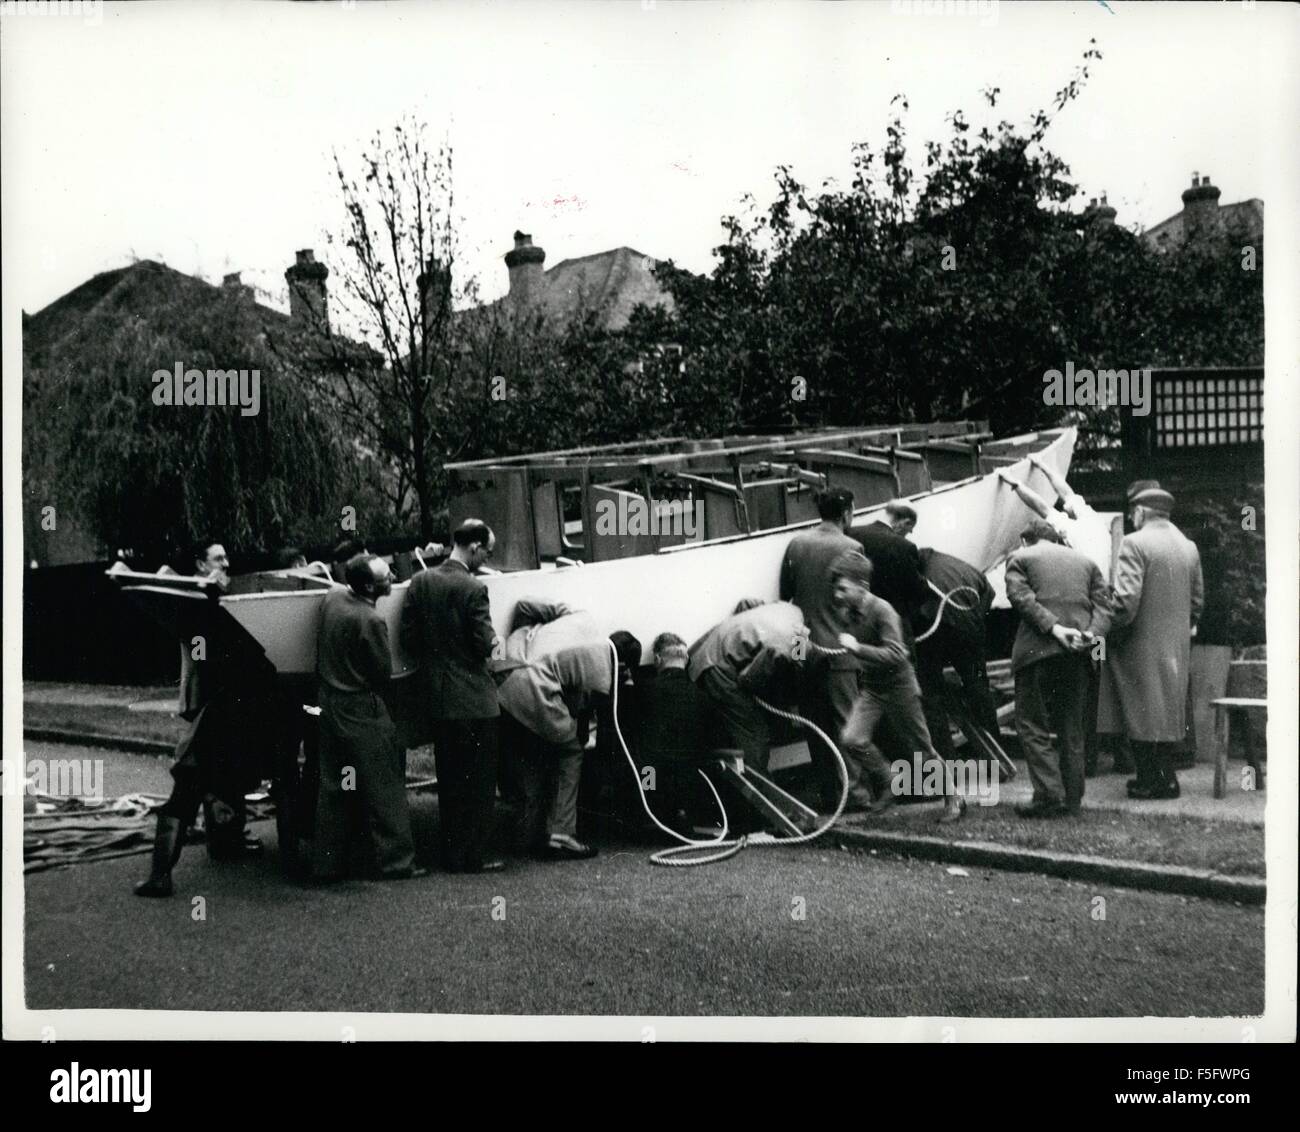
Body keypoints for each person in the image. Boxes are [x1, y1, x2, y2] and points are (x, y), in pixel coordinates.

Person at [135, 539, 268, 897]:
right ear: (199, 564)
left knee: (210, 783)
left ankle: (215, 848)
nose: (226, 564)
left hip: (227, 710)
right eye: (218, 559)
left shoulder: (216, 604)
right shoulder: (201, 608)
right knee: (191, 786)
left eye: (226, 558)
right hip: (218, 709)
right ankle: (161, 875)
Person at [495, 600, 638, 860]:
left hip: (502, 668)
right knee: (571, 753)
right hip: (533, 684)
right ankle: (560, 833)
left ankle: (526, 832)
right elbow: (589, 708)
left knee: (531, 754)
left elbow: (523, 606)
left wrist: (528, 645)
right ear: (623, 665)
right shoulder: (604, 665)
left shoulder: (579, 617)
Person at [401, 519, 505, 873]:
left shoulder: (420, 581)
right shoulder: (474, 589)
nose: (487, 558)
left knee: (450, 779)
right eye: (487, 551)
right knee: (479, 782)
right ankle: (475, 854)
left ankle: (451, 852)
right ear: (474, 547)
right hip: (475, 699)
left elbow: (408, 640)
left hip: (440, 697)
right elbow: (484, 643)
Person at [829, 551, 964, 822]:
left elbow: (897, 653)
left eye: (843, 589)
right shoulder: (848, 612)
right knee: (852, 739)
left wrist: (858, 648)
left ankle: (953, 797)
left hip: (900, 685)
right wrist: (804, 646)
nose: (837, 595)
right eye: (836, 589)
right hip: (874, 687)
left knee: (921, 749)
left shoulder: (882, 610)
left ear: (862, 587)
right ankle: (891, 780)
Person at [312, 554, 423, 881]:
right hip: (360, 708)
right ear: (373, 587)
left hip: (328, 704)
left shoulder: (333, 599)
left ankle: (326, 866)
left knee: (332, 786)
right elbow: (381, 673)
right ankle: (396, 862)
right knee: (384, 786)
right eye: (387, 576)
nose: (392, 577)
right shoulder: (371, 620)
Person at [1004, 520, 1111, 818]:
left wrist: (1053, 628)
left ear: (1027, 540)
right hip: (1079, 652)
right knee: (1071, 726)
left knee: (1031, 723)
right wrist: (1091, 635)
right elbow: (1105, 607)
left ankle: (1049, 796)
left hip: (1036, 652)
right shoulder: (1086, 561)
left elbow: (1021, 598)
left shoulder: (1021, 558)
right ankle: (1073, 799)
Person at [1107, 487, 1204, 800]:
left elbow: (1126, 602)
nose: (1132, 516)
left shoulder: (1134, 543)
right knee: (1166, 712)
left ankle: (1151, 781)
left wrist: (1107, 627)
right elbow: (1198, 601)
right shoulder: (1188, 546)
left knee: (1140, 711)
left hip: (1138, 642)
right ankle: (1167, 778)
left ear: (1141, 511)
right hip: (1175, 645)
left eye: (1133, 510)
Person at [780, 486, 862, 810]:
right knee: (847, 720)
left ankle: (828, 793)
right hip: (839, 647)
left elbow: (787, 595)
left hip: (803, 643)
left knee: (813, 721)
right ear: (846, 513)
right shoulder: (853, 547)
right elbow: (859, 602)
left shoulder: (797, 543)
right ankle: (855, 794)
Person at [687, 599, 809, 775]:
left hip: (707, 650)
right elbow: (749, 680)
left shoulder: (791, 610)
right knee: (754, 734)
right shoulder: (785, 647)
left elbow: (746, 603)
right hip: (717, 669)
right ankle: (758, 793)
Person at [914, 545, 1000, 763]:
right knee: (978, 686)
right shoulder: (964, 567)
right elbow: (989, 592)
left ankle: (946, 757)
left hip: (937, 628)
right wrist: (976, 617)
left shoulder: (922, 571)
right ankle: (995, 753)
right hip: (969, 629)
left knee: (930, 689)